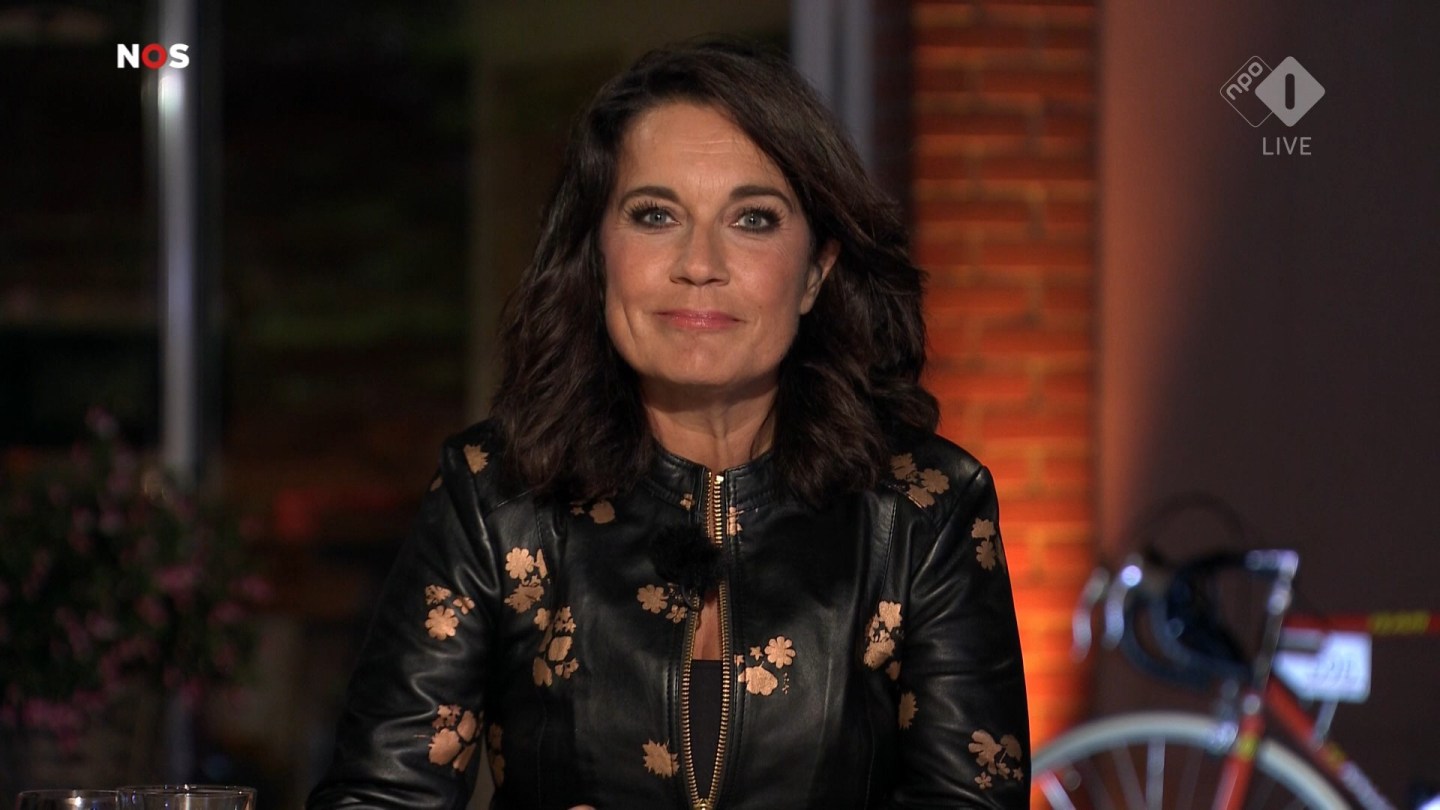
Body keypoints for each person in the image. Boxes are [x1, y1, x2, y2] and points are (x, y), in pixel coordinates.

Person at [308, 39, 1028, 810]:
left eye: (752, 219)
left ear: (816, 273)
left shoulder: (926, 509)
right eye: (656, 216)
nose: (699, 263)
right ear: (597, 255)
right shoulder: (494, 496)